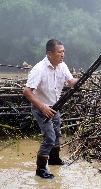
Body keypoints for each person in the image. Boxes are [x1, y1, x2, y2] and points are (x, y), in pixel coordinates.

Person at [23, 39, 77, 179]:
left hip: (55, 106)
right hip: (40, 107)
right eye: (59, 52)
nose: (62, 54)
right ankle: (40, 169)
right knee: (49, 137)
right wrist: (42, 107)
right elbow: (27, 92)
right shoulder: (39, 69)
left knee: (57, 133)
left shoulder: (62, 66)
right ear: (49, 53)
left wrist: (81, 80)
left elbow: (71, 82)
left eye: (63, 51)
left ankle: (54, 160)